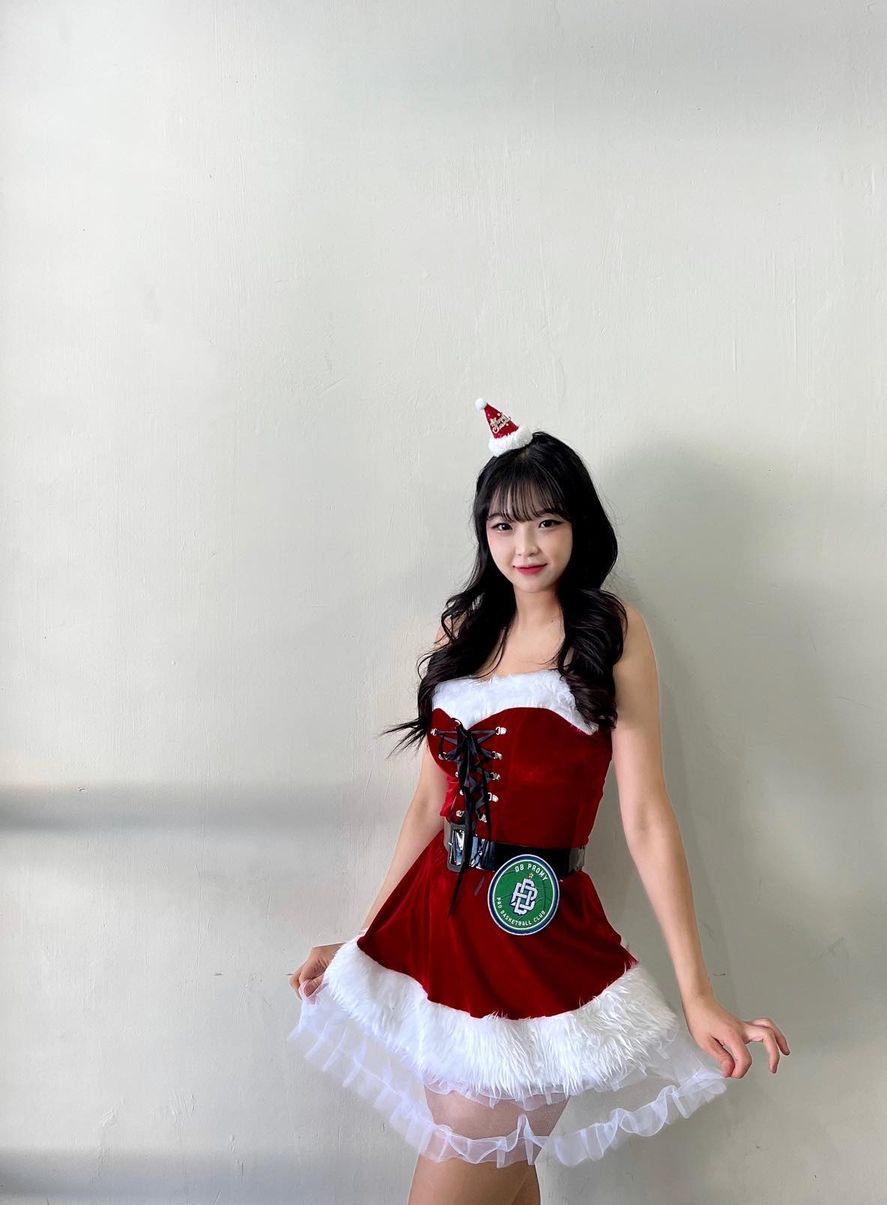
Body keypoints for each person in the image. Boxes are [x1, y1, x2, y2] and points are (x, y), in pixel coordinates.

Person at [288, 400, 790, 1205]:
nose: (525, 546)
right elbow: (427, 811)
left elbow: (645, 816)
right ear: (484, 535)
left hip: (532, 938)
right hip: (435, 939)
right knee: (509, 1185)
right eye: (504, 526)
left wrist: (697, 992)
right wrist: (363, 944)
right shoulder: (462, 632)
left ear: (577, 526)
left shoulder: (609, 630)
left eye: (546, 522)